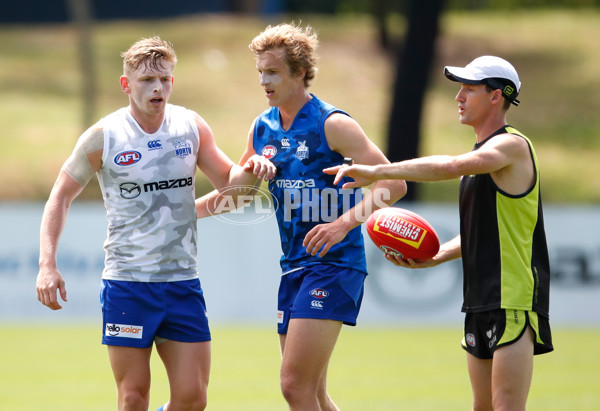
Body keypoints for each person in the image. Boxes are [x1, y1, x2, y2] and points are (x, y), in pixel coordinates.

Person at [36, 36, 275, 411]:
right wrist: (47, 265)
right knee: (133, 398)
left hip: (182, 282)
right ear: (126, 84)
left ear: (172, 82)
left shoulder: (190, 126)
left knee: (193, 399)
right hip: (128, 283)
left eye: (164, 79)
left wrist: (255, 169)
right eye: (147, 80)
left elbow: (235, 192)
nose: (157, 87)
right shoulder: (104, 137)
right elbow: (59, 197)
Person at [198, 23, 406, 410]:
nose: (264, 80)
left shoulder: (333, 124)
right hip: (294, 267)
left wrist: (345, 222)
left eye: (273, 72)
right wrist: (185, 214)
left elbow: (394, 184)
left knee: (294, 387)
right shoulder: (263, 127)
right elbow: (238, 194)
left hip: (335, 265)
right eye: (260, 71)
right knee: (314, 394)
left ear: (299, 72)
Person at [326, 55, 553, 410]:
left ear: (497, 96)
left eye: (469, 88)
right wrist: (433, 257)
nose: (458, 97)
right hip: (479, 297)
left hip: (513, 296)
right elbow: (481, 232)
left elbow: (451, 165)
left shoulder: (511, 146)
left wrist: (377, 171)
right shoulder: (482, 157)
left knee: (507, 405)